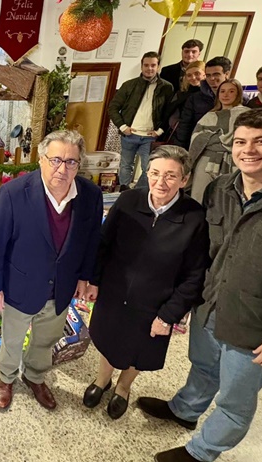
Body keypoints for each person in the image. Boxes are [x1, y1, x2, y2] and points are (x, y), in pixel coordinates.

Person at [138, 108, 262, 462]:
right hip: (210, 305)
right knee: (202, 366)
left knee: (235, 399)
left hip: (254, 324)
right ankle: (185, 410)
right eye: (241, 141)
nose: (249, 149)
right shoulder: (220, 189)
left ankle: (202, 453)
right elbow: (205, 250)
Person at [82, 146, 209, 420]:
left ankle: (124, 387)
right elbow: (103, 244)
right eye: (155, 173)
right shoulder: (128, 201)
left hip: (155, 302)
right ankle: (102, 380)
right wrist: (94, 280)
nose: (160, 182)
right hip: (114, 292)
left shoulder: (194, 217)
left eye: (171, 176)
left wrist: (168, 315)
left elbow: (195, 274)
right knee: (106, 339)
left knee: (138, 348)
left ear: (184, 180)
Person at [0, 130, 103, 411]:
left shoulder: (91, 196)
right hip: (19, 286)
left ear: (79, 164)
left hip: (62, 287)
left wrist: (86, 277)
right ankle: (6, 377)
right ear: (41, 159)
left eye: (71, 162)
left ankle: (35, 375)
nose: (62, 168)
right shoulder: (13, 193)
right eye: (56, 159)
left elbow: (92, 240)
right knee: (12, 338)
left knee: (46, 338)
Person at [108, 51, 174, 188]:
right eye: (146, 65)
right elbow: (113, 107)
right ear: (141, 66)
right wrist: (122, 127)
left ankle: (139, 194)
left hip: (150, 137)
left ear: (158, 67)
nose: (149, 68)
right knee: (126, 165)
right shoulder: (129, 85)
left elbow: (169, 112)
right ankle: (124, 193)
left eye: (153, 65)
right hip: (129, 134)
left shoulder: (166, 87)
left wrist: (160, 131)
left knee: (148, 168)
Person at [188, 79, 250, 202]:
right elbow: (197, 139)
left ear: (238, 94)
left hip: (234, 162)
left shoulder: (246, 114)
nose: (226, 95)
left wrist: (213, 139)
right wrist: (220, 140)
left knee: (226, 200)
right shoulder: (209, 116)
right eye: (222, 91)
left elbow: (245, 140)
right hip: (206, 160)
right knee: (199, 197)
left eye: (231, 91)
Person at [173, 56, 232, 149]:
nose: (212, 78)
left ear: (227, 74)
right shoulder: (195, 98)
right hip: (197, 146)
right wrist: (179, 149)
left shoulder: (239, 98)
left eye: (216, 74)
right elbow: (184, 126)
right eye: (208, 75)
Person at [162, 60, 205, 141]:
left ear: (205, 74)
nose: (193, 77)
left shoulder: (209, 96)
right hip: (177, 134)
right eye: (189, 75)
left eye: (197, 73)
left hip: (197, 136)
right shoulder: (181, 94)